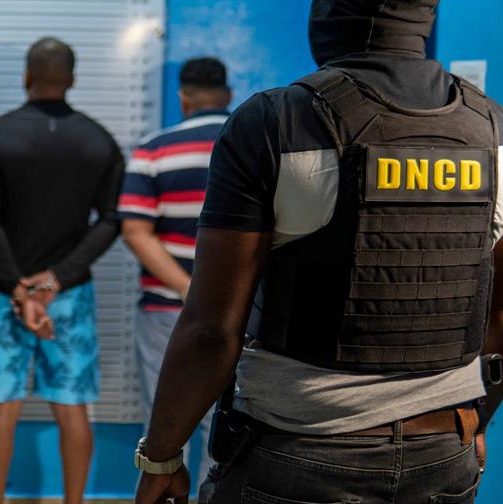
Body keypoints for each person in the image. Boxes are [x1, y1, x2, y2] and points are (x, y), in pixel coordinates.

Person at [134, 1, 503, 503]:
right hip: (444, 450)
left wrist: (161, 457)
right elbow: (499, 312)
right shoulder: (491, 128)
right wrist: (477, 416)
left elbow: (211, 331)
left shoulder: (276, 122)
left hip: (298, 452)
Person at [0, 37, 125, 504]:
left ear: (27, 77)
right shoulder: (99, 140)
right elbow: (112, 220)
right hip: (68, 295)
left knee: (1, 410)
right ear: (72, 79)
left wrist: (18, 286)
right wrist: (55, 280)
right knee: (72, 408)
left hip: (2, 292)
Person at [118, 56, 231, 486]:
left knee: (164, 428)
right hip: (239, 313)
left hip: (166, 311)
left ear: (184, 99)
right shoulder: (257, 144)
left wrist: (186, 288)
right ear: (227, 95)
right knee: (225, 428)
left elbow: (135, 231)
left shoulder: (153, 148)